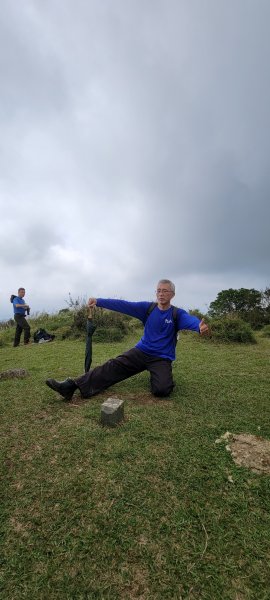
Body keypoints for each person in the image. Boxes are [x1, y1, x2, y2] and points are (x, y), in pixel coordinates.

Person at [46, 279, 209, 401]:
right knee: (112, 365)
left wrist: (199, 327)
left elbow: (191, 320)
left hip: (161, 358)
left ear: (172, 294)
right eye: (158, 290)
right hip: (141, 351)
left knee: (162, 391)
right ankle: (70, 386)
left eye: (165, 291)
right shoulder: (148, 308)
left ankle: (159, 376)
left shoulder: (176, 314)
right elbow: (123, 304)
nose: (161, 294)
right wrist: (99, 301)